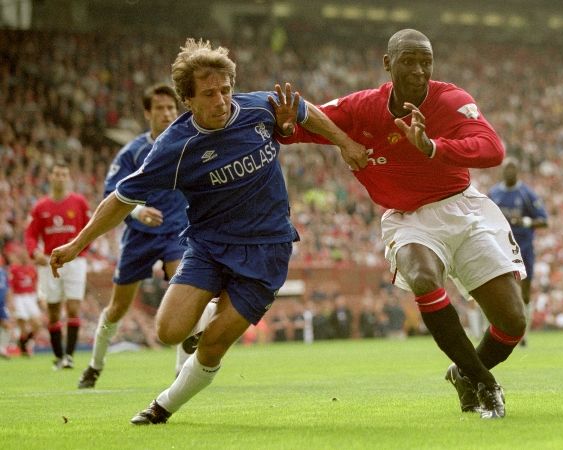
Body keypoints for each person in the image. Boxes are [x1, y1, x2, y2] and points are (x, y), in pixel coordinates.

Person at [49, 38, 366, 425]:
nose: (221, 101)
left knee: (214, 344)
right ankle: (212, 307)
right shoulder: (173, 149)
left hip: (268, 247)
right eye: (209, 94)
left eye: (226, 90)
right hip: (209, 246)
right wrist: (78, 242)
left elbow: (303, 111)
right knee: (168, 331)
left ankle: (163, 406)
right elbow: (121, 199)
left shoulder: (260, 106)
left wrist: (344, 144)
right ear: (189, 100)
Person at [278, 28, 526, 419]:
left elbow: (492, 150)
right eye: (409, 60)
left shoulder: (450, 100)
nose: (419, 70)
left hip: (463, 209)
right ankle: (485, 383)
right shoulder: (361, 107)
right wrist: (291, 125)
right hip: (408, 219)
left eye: (426, 61)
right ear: (387, 63)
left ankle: (464, 373)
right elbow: (301, 126)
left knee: (512, 324)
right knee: (423, 277)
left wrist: (433, 147)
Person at [78, 83, 214, 389]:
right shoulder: (133, 151)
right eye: (160, 109)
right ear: (147, 113)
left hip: (177, 232)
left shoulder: (188, 143)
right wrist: (138, 212)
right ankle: (94, 365)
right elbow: (110, 193)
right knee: (117, 309)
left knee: (181, 287)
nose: (167, 113)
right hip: (139, 237)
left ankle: (181, 368)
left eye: (170, 108)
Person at [25, 160, 91, 369]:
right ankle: (59, 356)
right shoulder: (40, 207)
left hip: (75, 262)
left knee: (73, 307)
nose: (60, 178)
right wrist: (34, 252)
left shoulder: (79, 202)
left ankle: (69, 357)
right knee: (53, 311)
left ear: (68, 178)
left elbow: (89, 229)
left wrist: (81, 252)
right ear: (51, 177)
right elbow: (31, 234)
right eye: (57, 174)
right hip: (49, 262)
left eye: (64, 174)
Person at [488, 157, 548, 345]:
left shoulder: (526, 194)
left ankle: (523, 334)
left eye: (513, 168)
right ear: (502, 171)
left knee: (524, 293)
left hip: (524, 248)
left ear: (518, 171)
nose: (509, 171)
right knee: (497, 289)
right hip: (500, 247)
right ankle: (494, 330)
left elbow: (544, 220)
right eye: (507, 168)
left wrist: (526, 221)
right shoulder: (494, 194)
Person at [6, 246, 40, 357]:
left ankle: (24, 343)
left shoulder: (32, 269)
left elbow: (36, 284)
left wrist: (38, 298)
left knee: (37, 324)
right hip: (19, 297)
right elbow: (10, 286)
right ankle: (24, 349)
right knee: (23, 325)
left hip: (30, 297)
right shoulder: (14, 269)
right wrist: (11, 301)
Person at [0, 253, 12, 359]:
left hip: (2, 304)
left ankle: (2, 348)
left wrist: (9, 303)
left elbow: (7, 289)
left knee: (7, 325)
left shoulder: (3, 272)